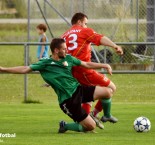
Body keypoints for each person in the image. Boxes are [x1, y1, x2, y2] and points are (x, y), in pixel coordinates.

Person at [0, 38, 113, 133]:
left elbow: (87, 64)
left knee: (108, 92)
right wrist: (3, 69)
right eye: (64, 49)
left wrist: (105, 65)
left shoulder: (68, 58)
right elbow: (25, 69)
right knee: (91, 127)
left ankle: (106, 116)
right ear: (56, 50)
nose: (66, 50)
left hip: (78, 90)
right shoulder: (45, 63)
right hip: (68, 101)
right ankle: (65, 126)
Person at [62, 12, 123, 123]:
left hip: (71, 71)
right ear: (79, 22)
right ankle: (100, 115)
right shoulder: (85, 31)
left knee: (89, 95)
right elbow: (100, 38)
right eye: (85, 23)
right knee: (111, 88)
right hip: (84, 70)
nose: (86, 25)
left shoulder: (64, 35)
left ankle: (88, 119)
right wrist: (114, 46)